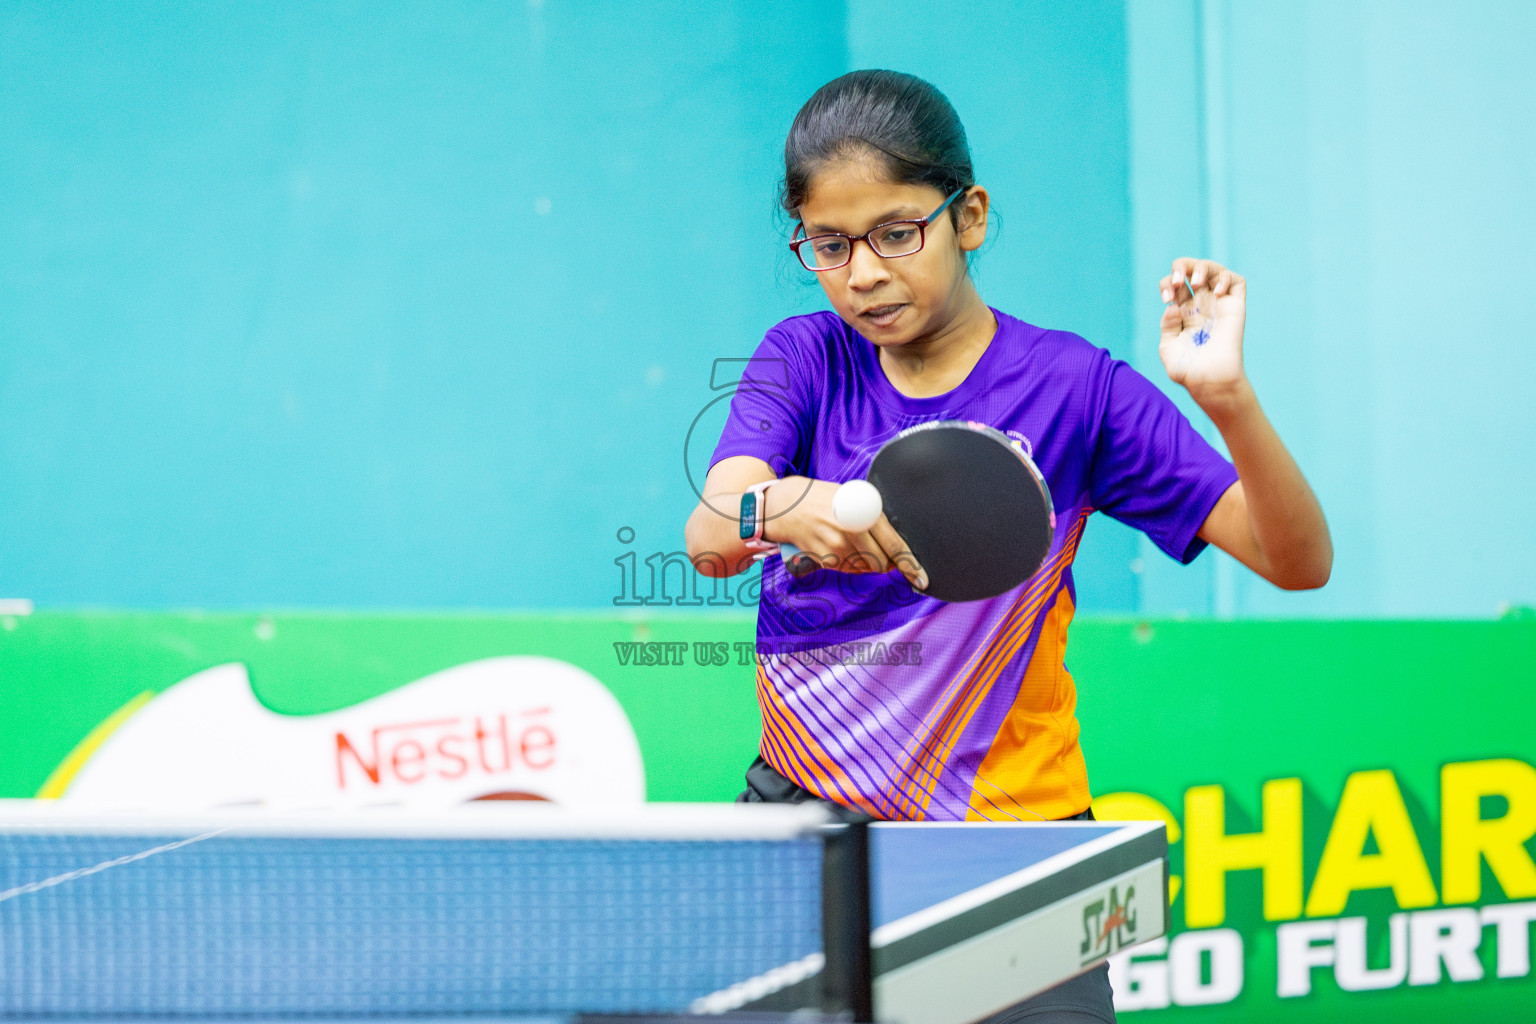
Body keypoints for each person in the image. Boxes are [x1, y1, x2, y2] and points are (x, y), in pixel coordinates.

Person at [683, 70, 1331, 1023]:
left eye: (897, 232)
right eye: (829, 244)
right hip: (808, 830)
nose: (862, 272)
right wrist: (781, 509)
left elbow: (1295, 561)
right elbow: (711, 531)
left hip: (1011, 850)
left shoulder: (1079, 390)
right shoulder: (805, 355)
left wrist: (1227, 401)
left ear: (969, 215)